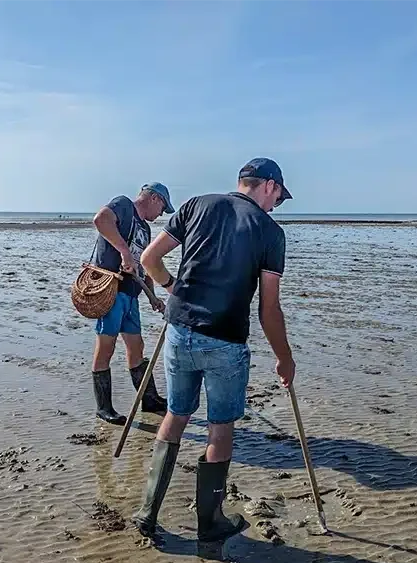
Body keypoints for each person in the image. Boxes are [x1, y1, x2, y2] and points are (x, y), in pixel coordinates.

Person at [132, 158, 296, 542]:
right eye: (279, 198)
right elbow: (269, 308)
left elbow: (148, 259)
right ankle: (211, 522)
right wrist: (284, 358)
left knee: (176, 415)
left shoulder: (196, 204)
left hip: (180, 330)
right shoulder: (271, 232)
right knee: (220, 428)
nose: (277, 206)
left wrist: (172, 286)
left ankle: (147, 511)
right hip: (225, 339)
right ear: (269, 185)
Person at [90, 182, 175, 425]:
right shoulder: (123, 205)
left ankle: (149, 399)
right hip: (111, 290)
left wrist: (152, 295)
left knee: (136, 347)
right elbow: (101, 220)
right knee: (106, 346)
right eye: (163, 208)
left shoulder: (145, 230)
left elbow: (145, 265)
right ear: (155, 199)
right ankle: (103, 407)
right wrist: (124, 252)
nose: (161, 215)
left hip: (132, 294)